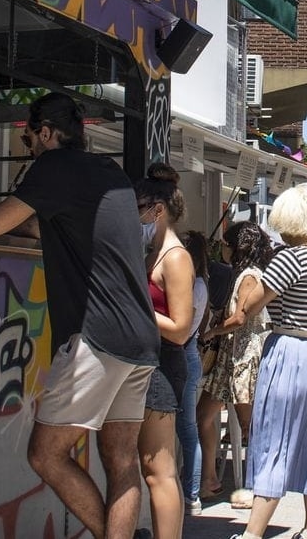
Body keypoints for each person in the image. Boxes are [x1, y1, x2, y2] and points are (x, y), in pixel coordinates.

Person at [0, 91, 160, 539]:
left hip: (99, 336)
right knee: (122, 459)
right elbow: (45, 223)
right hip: (140, 336)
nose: (29, 146)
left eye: (30, 137)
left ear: (47, 133)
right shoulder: (107, 173)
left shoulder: (53, 167)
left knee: (45, 454)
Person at [229, 183, 307, 539]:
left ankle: (252, 534)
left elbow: (251, 306)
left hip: (289, 351)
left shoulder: (289, 258)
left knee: (274, 439)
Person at [136, 163, 195, 539]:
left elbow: (180, 329)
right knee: (152, 467)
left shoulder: (174, 257)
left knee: (160, 470)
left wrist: (135, 306)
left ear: (157, 209)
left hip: (163, 367)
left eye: (138, 206)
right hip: (150, 365)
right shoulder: (155, 252)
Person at [197, 221, 273, 505]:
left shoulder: (249, 276)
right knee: (204, 415)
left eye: (225, 244)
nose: (222, 250)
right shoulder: (244, 274)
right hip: (232, 358)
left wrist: (213, 330)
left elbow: (241, 317)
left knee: (247, 424)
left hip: (243, 357)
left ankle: (258, 485)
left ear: (236, 247)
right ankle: (210, 479)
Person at [176, 230, 210, 515]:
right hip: (189, 353)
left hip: (183, 354)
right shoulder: (199, 284)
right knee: (187, 429)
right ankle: (191, 494)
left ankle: (191, 494)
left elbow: (181, 330)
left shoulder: (194, 286)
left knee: (187, 429)